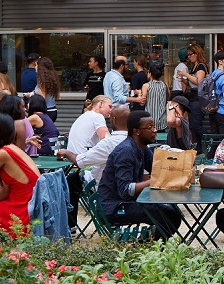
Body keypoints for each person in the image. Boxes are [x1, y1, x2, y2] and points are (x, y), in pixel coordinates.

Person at [98, 111, 182, 240]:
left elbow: (158, 169)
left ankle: (150, 244)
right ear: (136, 131)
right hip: (115, 207)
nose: (154, 130)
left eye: (154, 126)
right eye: (149, 127)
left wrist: (177, 167)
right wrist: (154, 181)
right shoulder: (125, 151)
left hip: (128, 202)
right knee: (169, 215)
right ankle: (149, 247)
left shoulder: (143, 148)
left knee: (171, 212)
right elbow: (126, 190)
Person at [57, 104, 130, 183]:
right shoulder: (137, 142)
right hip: (126, 186)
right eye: (109, 106)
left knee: (68, 180)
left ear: (114, 120)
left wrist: (66, 153)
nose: (109, 110)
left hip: (101, 187)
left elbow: (80, 161)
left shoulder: (108, 143)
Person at [177, 43, 208, 146]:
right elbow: (193, 83)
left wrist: (185, 74)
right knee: (193, 126)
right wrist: (184, 81)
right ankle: (197, 148)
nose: (189, 57)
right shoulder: (194, 67)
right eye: (188, 55)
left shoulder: (201, 66)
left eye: (191, 54)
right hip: (192, 98)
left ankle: (208, 140)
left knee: (196, 125)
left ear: (197, 53)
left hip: (198, 100)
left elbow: (199, 81)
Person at [140, 62, 170, 131]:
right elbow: (167, 98)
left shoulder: (146, 86)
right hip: (162, 121)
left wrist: (139, 94)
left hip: (149, 120)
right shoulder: (164, 85)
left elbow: (142, 102)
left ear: (150, 74)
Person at [35, 57, 61, 123]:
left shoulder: (42, 81)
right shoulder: (50, 79)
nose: (35, 67)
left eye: (36, 65)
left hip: (45, 111)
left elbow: (41, 98)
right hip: (53, 109)